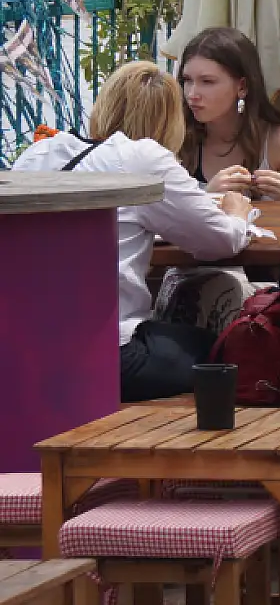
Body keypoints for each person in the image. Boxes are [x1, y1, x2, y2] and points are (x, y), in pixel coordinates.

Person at [14, 62, 253, 401]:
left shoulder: (40, 152)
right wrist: (236, 213)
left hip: (24, 350)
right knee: (216, 347)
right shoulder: (141, 156)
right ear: (170, 120)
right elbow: (219, 240)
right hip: (105, 357)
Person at [177, 27, 280, 202]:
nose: (192, 93)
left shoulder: (279, 141)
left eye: (207, 81)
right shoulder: (179, 139)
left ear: (242, 87)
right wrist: (206, 198)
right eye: (187, 80)